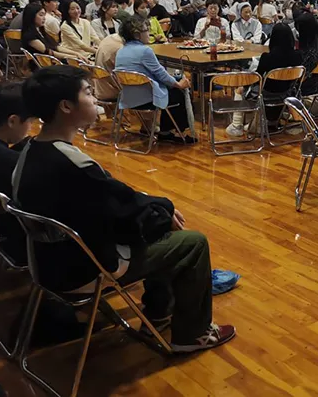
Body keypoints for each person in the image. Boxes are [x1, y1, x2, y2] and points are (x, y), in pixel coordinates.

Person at [13, 65, 234, 352]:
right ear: (66, 106)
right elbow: (123, 211)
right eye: (89, 93)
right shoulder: (73, 165)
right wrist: (163, 209)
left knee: (155, 220)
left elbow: (116, 201)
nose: (95, 99)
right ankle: (193, 334)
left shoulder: (28, 151)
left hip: (46, 264)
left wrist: (153, 209)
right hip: (85, 268)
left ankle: (160, 314)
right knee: (191, 242)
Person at [115, 17, 195, 144]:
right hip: (147, 98)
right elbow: (161, 74)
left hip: (129, 96)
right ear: (137, 35)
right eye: (147, 30)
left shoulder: (121, 51)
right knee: (179, 91)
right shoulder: (145, 51)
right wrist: (179, 84)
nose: (150, 33)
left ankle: (162, 130)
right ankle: (171, 132)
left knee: (175, 79)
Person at [0, 82, 32, 264]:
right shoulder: (11, 162)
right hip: (14, 239)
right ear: (12, 121)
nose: (30, 126)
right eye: (30, 121)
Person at [21, 2, 88, 64]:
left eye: (44, 15)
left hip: (52, 62)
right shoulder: (29, 36)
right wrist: (74, 57)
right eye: (41, 15)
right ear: (31, 16)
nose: (44, 18)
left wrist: (76, 54)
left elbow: (57, 47)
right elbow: (50, 53)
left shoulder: (41, 31)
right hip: (44, 65)